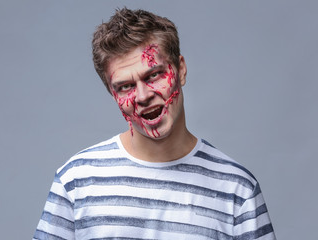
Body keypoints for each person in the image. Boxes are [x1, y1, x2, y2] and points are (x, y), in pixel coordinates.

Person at [33, 7, 276, 240]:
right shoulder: (75, 181)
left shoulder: (238, 189)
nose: (142, 95)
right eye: (125, 86)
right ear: (112, 93)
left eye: (153, 75)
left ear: (180, 70)